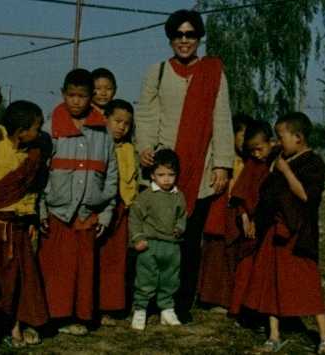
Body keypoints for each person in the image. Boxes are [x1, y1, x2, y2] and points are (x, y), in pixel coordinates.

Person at [134, 9, 234, 323]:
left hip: (201, 169)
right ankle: (147, 301)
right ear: (170, 38)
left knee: (188, 242)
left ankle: (178, 304)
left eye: (190, 34)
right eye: (178, 35)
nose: (184, 40)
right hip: (164, 169)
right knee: (155, 238)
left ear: (199, 37)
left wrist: (222, 165)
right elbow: (147, 115)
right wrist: (145, 148)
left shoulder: (213, 71)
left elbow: (222, 119)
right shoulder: (158, 72)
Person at [241, 113, 325, 354]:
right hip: (274, 231)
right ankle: (274, 335)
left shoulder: (313, 162)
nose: (278, 142)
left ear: (299, 137)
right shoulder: (279, 160)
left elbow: (306, 196)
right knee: (272, 281)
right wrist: (254, 219)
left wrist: (285, 171)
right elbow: (268, 195)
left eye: (281, 136)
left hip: (299, 233)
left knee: (308, 281)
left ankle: (324, 337)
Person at [38, 68, 118, 336]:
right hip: (58, 212)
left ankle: (79, 316)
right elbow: (39, 174)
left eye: (82, 96)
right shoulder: (50, 129)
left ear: (90, 97)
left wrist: (106, 213)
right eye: (71, 95)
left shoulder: (103, 132)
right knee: (58, 269)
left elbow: (111, 176)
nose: (76, 101)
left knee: (83, 270)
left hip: (88, 213)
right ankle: (56, 316)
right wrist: (41, 209)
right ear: (63, 94)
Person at [0, 100, 49, 348]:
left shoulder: (33, 154)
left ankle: (17, 325)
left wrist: (31, 216)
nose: (40, 132)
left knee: (21, 278)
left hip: (21, 225)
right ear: (21, 130)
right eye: (36, 127)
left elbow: (31, 190)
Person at [197, 113, 255, 311]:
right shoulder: (222, 159)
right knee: (216, 252)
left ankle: (232, 296)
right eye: (242, 136)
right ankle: (212, 297)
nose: (245, 142)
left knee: (234, 253)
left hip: (240, 212)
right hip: (220, 209)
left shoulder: (251, 161)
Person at [128, 148, 187, 330]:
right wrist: (138, 239)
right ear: (152, 175)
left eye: (171, 174)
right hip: (150, 245)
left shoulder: (178, 196)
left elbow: (182, 215)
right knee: (145, 279)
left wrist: (180, 228)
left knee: (170, 279)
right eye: (161, 174)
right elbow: (135, 218)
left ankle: (167, 309)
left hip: (171, 246)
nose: (166, 179)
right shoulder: (146, 196)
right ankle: (140, 309)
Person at [226, 120, 276, 319]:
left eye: (259, 149)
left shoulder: (276, 163)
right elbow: (241, 195)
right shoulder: (252, 165)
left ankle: (261, 310)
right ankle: (239, 309)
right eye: (252, 150)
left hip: (268, 223)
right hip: (250, 226)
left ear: (271, 143)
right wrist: (246, 217)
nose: (256, 154)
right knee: (245, 267)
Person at [98, 99, 138, 326]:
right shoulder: (97, 144)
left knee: (116, 260)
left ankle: (110, 307)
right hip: (101, 207)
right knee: (98, 258)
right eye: (117, 121)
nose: (121, 127)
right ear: (105, 119)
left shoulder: (130, 149)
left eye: (126, 124)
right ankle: (93, 305)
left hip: (123, 209)